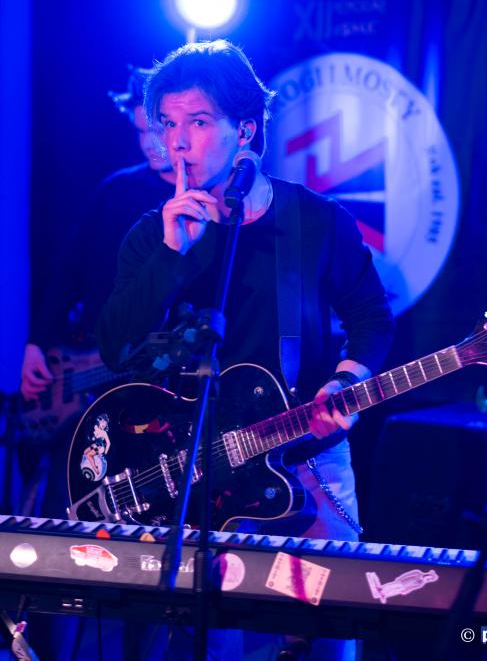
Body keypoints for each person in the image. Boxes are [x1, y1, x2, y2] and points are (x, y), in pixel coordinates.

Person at [97, 40, 395, 660]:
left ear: (246, 131)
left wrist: (345, 381)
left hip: (305, 458)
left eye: (198, 122)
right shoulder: (152, 236)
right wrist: (171, 257)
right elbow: (118, 349)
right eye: (167, 125)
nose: (178, 143)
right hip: (196, 471)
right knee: (212, 645)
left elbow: (371, 316)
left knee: (325, 638)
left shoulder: (315, 220)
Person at [20, 67, 176, 412]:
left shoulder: (203, 199)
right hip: (92, 363)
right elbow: (70, 271)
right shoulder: (116, 190)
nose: (147, 144)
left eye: (156, 131)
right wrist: (37, 343)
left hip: (163, 384)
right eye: (140, 131)